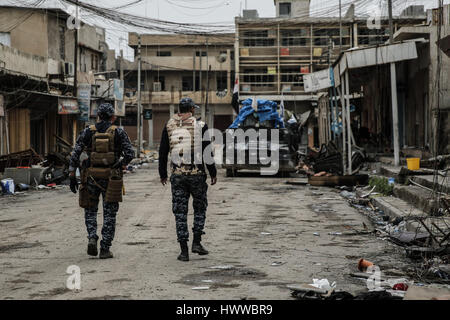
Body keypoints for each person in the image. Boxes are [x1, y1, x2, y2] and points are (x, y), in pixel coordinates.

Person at [69, 103, 134, 259]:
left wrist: (72, 174)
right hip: (112, 178)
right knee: (110, 213)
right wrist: (121, 163)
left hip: (90, 177)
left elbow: (76, 153)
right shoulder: (118, 132)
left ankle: (92, 236)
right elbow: (130, 153)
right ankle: (105, 248)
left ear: (98, 116)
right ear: (113, 117)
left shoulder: (88, 132)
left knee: (90, 210)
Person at [159, 98, 217, 262]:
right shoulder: (201, 125)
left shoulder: (169, 125)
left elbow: (163, 151)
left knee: (180, 213)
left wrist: (162, 173)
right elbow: (207, 152)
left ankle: (184, 251)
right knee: (199, 209)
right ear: (191, 109)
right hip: (196, 175)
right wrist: (212, 172)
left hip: (177, 176)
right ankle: (196, 243)